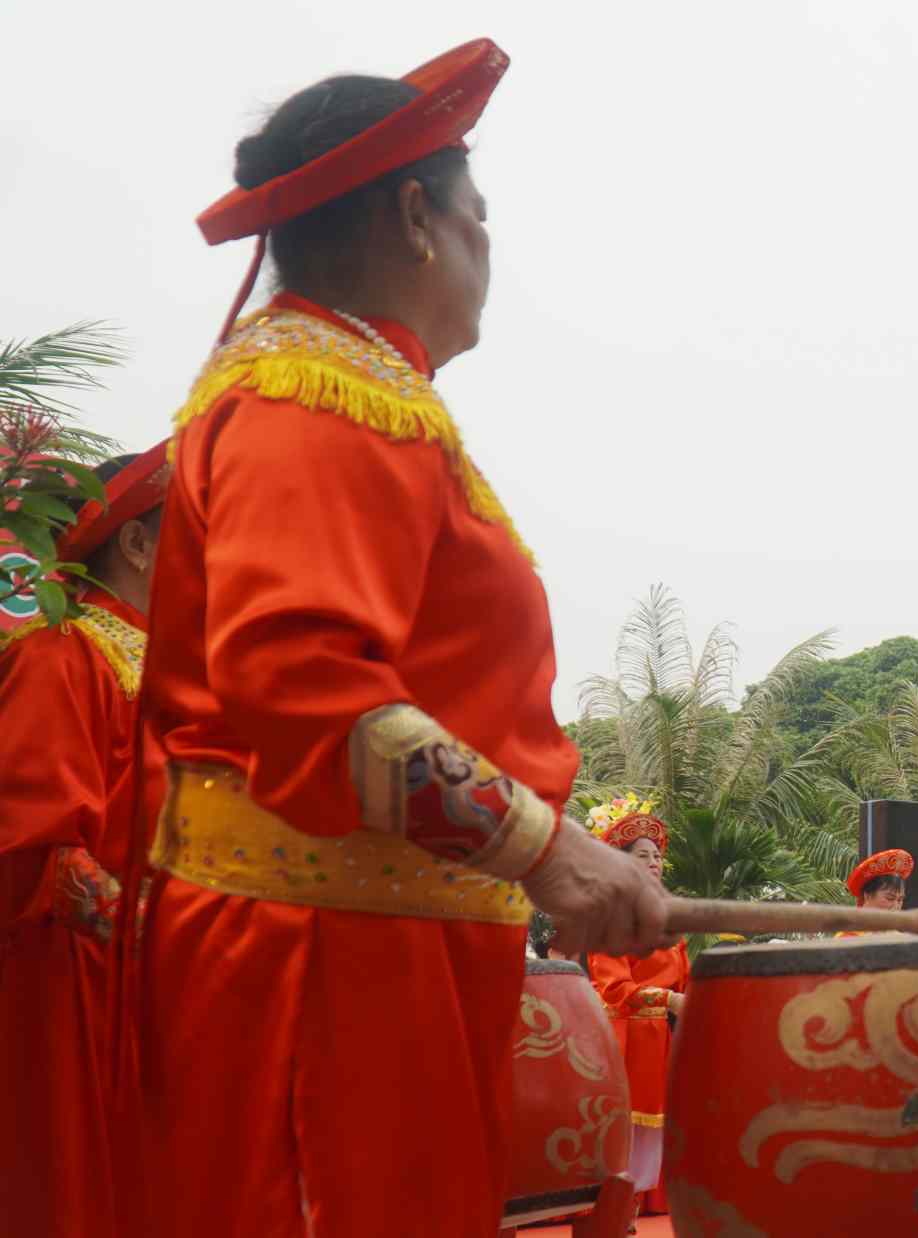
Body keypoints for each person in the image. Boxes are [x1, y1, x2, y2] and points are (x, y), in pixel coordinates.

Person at [129, 42, 670, 1238]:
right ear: (418, 216)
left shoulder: (366, 395)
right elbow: (310, 688)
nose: (489, 247)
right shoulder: (314, 398)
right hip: (316, 972)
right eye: (481, 215)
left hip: (382, 956)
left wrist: (561, 834)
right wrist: (544, 849)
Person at [0, 447, 167, 1238]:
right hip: (78, 994)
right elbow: (38, 850)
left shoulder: (180, 674)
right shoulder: (62, 655)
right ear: (135, 543)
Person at [581, 798, 690, 1222]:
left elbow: (685, 979)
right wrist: (669, 1000)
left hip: (660, 1038)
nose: (654, 862)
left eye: (658, 855)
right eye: (642, 855)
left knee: (650, 1134)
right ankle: (612, 1214)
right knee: (621, 1133)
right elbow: (614, 988)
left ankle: (628, 1211)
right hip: (624, 1039)